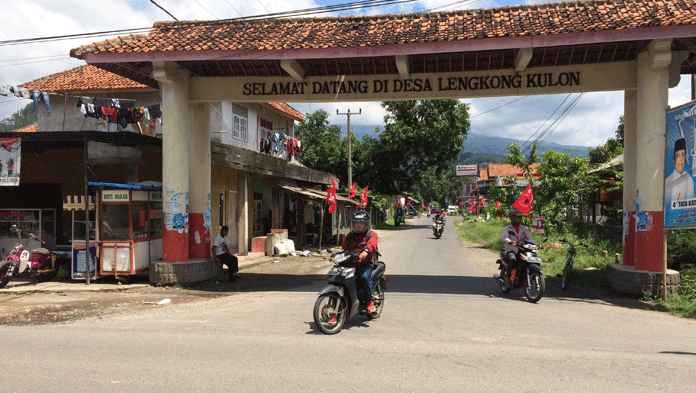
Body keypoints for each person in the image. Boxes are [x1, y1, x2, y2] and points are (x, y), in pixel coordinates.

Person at [342, 210, 379, 313]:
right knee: (339, 277)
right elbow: (344, 248)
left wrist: (366, 251)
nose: (358, 225)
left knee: (364, 278)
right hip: (350, 264)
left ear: (366, 224)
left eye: (361, 223)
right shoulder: (349, 236)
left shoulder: (371, 235)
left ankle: (368, 302)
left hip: (365, 264)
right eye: (356, 223)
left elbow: (372, 245)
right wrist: (336, 255)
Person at [501, 209, 535, 286]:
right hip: (511, 250)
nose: (519, 218)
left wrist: (535, 244)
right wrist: (510, 242)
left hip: (521, 250)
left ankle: (518, 278)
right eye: (517, 217)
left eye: (520, 217)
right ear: (513, 218)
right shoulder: (507, 228)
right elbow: (505, 237)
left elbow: (530, 239)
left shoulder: (524, 229)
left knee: (523, 261)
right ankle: (508, 278)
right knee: (512, 259)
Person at [665, 137, 694, 203]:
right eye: (678, 155)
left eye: (683, 154)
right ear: (674, 161)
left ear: (685, 159)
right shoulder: (668, 181)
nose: (681, 158)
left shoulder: (689, 178)